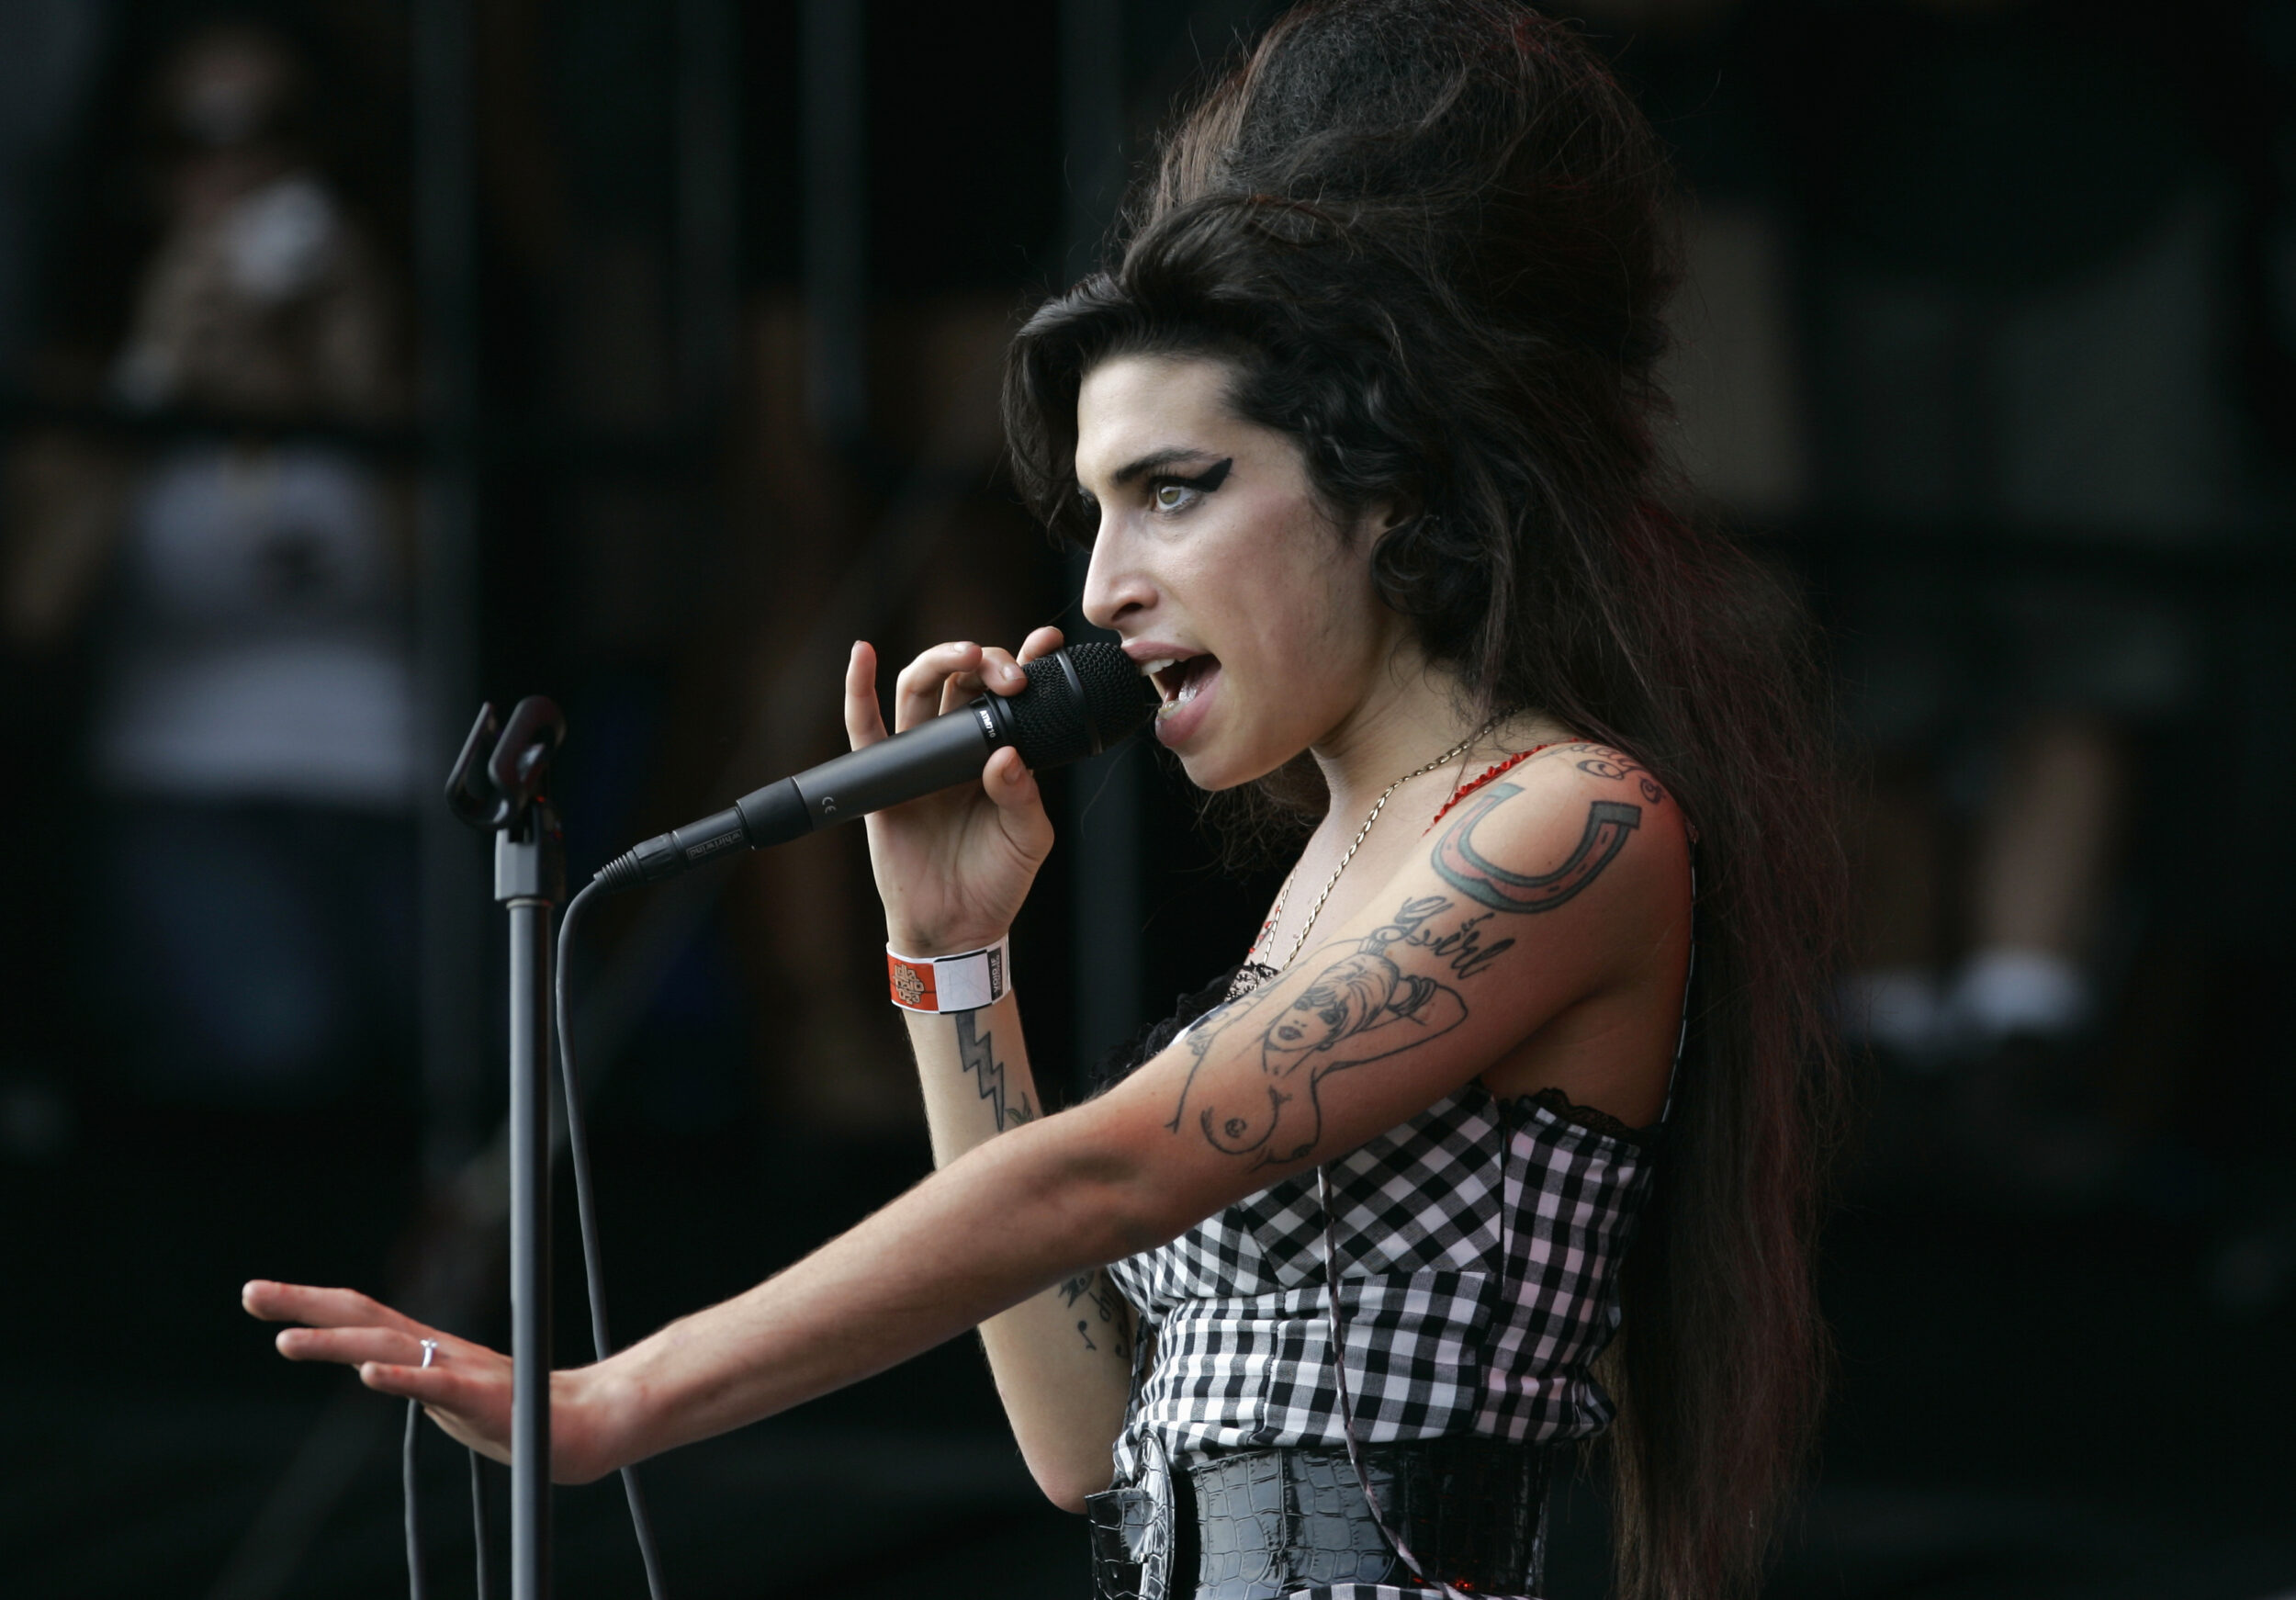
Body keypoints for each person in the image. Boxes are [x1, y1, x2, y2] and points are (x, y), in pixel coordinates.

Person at [242, 5, 1846, 1595]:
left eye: (1174, 492)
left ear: (1386, 482)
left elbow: (1104, 1173)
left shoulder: (1567, 821)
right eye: (1093, 511)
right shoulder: (1332, 869)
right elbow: (1086, 1443)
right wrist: (954, 966)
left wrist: (620, 1394)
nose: (1103, 586)